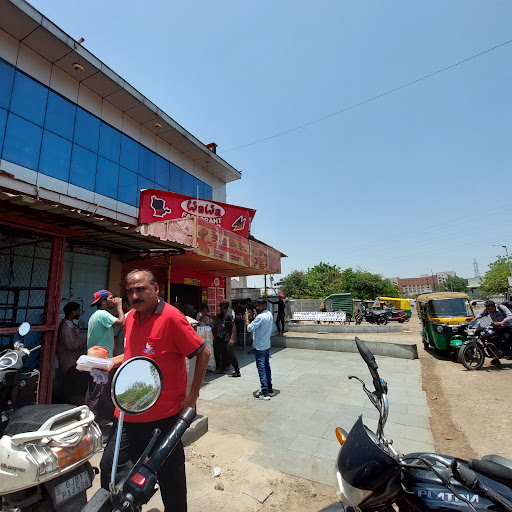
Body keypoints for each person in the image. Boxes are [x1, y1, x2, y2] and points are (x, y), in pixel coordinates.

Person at [100, 269, 210, 512]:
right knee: (110, 469)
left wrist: (192, 396)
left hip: (164, 418)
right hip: (127, 413)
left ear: (156, 289)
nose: (134, 296)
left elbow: (203, 353)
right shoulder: (130, 318)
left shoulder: (172, 318)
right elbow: (132, 356)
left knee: (171, 480)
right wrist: (106, 363)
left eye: (141, 289)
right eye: (130, 291)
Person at [85, 290, 125, 425]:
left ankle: (95, 420)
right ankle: (93, 423)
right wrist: (119, 306)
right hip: (100, 360)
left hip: (99, 359)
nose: (113, 300)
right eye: (111, 298)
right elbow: (122, 322)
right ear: (103, 301)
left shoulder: (97, 315)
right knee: (98, 393)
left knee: (97, 391)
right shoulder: (103, 314)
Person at [54, 301, 87, 404]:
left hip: (72, 362)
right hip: (68, 363)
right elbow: (71, 345)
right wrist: (83, 341)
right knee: (69, 385)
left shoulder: (70, 326)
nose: (79, 313)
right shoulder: (67, 328)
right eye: (78, 311)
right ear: (73, 313)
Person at [245, 298, 274, 400]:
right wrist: (256, 317)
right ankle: (270, 389)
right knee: (267, 367)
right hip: (266, 345)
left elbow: (249, 328)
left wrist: (246, 318)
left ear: (264, 305)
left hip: (260, 347)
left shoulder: (260, 317)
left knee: (261, 369)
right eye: (256, 305)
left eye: (259, 306)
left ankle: (265, 392)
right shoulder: (269, 314)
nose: (257, 307)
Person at [213, 301, 240, 377]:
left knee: (230, 354)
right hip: (221, 337)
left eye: (220, 307)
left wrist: (232, 339)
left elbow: (233, 326)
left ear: (222, 307)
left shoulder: (229, 315)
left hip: (228, 337)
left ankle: (237, 371)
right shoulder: (221, 315)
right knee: (221, 352)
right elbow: (215, 318)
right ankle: (222, 368)